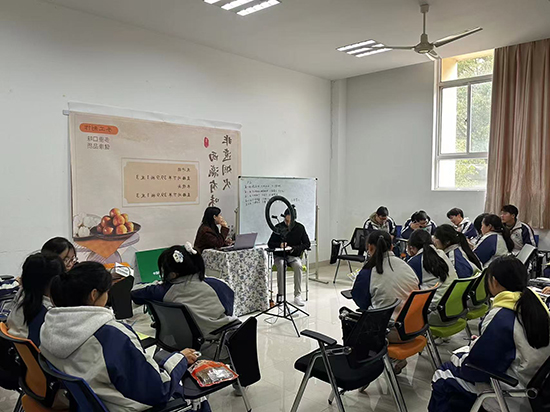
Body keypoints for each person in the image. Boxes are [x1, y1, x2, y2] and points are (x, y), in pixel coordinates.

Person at [40, 262, 206, 412]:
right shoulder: (112, 335)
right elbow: (158, 390)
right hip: (126, 405)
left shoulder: (49, 328)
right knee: (198, 397)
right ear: (93, 295)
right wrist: (180, 358)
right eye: (107, 291)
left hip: (90, 403)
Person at [428, 256, 550, 412]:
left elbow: (476, 369)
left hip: (511, 393)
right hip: (534, 386)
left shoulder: (502, 314)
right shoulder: (535, 304)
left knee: (443, 374)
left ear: (494, 281)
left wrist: (463, 356)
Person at [131, 244, 238, 341]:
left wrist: (158, 283)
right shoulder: (217, 284)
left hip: (183, 342)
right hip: (221, 340)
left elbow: (134, 293)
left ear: (173, 274)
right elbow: (228, 309)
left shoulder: (163, 291)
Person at [351, 230, 418, 316]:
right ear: (392, 247)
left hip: (384, 321)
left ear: (369, 247)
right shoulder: (406, 266)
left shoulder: (368, 272)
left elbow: (361, 301)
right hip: (411, 318)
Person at [6, 252, 64, 345]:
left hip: (17, 349)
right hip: (34, 351)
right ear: (54, 282)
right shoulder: (46, 312)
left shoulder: (23, 295)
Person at [268, 206, 311, 307]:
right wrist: (279, 245)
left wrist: (294, 248)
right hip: (280, 256)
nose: (288, 222)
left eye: (290, 220)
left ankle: (297, 295)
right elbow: (270, 243)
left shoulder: (300, 228)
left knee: (298, 266)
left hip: (293, 256)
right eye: (286, 219)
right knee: (281, 265)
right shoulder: (278, 227)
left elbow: (307, 244)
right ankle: (281, 296)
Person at [406, 230, 457, 305]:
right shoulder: (441, 253)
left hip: (433, 305)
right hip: (452, 299)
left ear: (411, 248)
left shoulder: (415, 261)